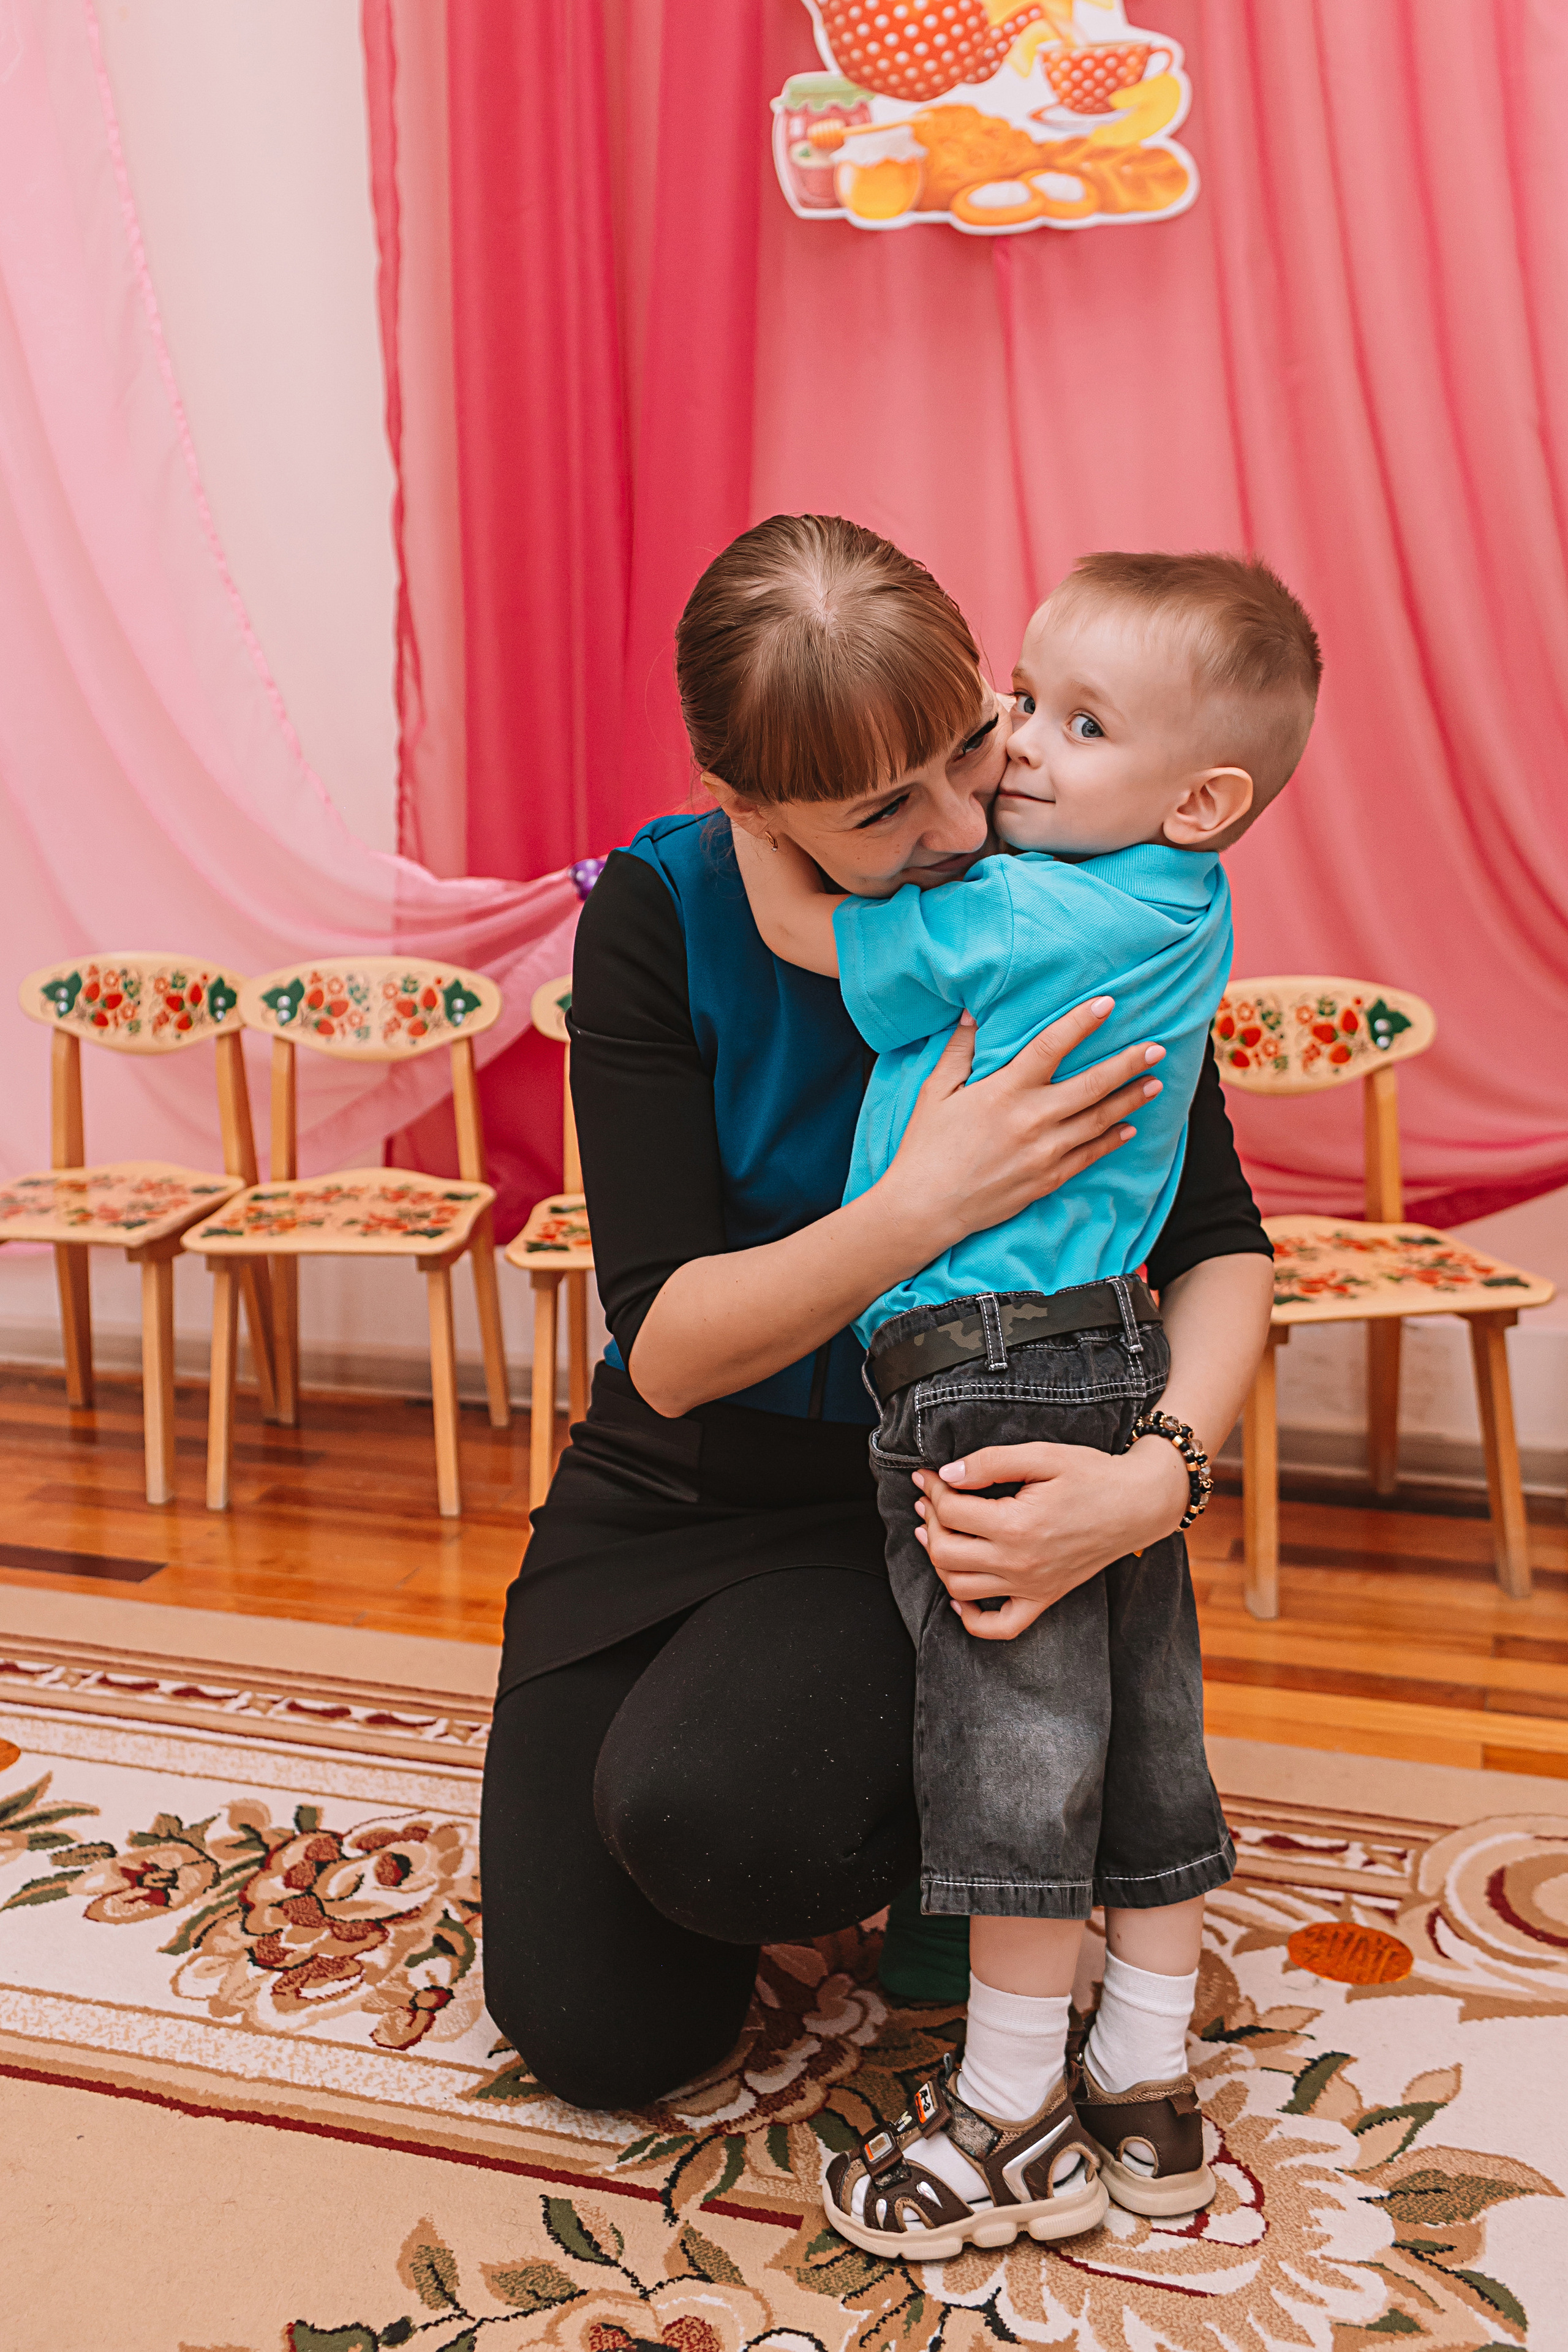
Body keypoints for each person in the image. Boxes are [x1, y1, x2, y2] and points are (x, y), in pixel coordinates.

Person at [478, 514, 1275, 2139]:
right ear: (752, 813)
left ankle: (981, 1856)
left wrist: (1159, 1478)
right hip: (680, 1483)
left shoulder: (1078, 885)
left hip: (921, 1498)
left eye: (968, 745)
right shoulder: (661, 912)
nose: (963, 819)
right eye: (879, 810)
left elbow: (1219, 1245)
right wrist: (920, 1203)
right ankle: (964, 1811)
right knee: (604, 2038)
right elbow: (677, 1344)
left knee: (728, 1820)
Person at [728, 551, 1319, 2256]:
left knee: (1010, 1751)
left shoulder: (1032, 905)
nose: (1014, 749)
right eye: (1019, 697)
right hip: (1109, 1357)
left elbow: (806, 928)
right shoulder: (1171, 903)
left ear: (1202, 798)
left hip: (985, 1370)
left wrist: (761, 811)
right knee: (1141, 1735)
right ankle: (1142, 2081)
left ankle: (1010, 2120)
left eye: (1075, 720)